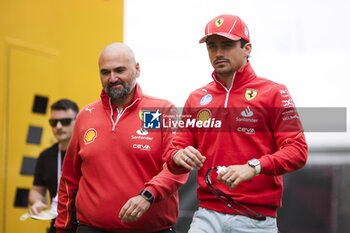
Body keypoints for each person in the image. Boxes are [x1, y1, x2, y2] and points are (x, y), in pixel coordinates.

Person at [166, 14, 308, 232]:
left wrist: (255, 166)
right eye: (212, 46)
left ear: (247, 48)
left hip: (256, 219)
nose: (218, 53)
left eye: (227, 45)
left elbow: (297, 151)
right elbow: (173, 154)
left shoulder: (274, 92)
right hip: (207, 214)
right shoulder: (197, 98)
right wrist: (178, 156)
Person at [54, 43, 188, 233]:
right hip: (91, 229)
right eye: (105, 72)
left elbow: (178, 168)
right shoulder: (86, 116)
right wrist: (62, 229)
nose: (112, 78)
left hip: (152, 230)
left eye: (119, 70)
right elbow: (69, 180)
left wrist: (148, 196)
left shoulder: (160, 111)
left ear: (137, 69)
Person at [29, 99, 79, 233]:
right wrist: (36, 202)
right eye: (53, 122)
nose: (58, 126)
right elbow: (36, 190)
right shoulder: (45, 156)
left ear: (77, 120)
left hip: (85, 226)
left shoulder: (87, 153)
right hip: (57, 224)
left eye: (65, 121)